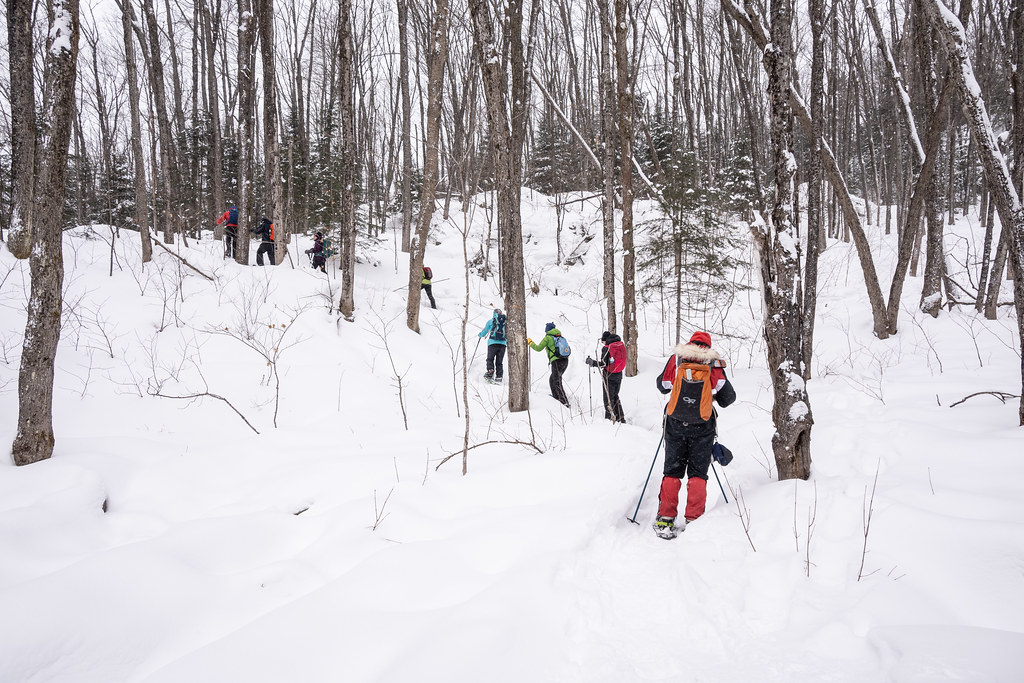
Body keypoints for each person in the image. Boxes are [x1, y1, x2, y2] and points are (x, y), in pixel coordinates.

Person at [652, 330, 736, 539]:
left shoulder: (677, 359)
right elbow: (728, 398)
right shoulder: (713, 364)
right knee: (698, 473)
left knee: (672, 470)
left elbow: (663, 386)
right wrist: (710, 395)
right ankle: (694, 520)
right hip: (703, 426)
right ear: (708, 346)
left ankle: (665, 519)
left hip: (675, 424)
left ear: (690, 343)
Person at [586, 331, 626, 423]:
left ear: (605, 340)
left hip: (609, 376)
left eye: (602, 341)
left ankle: (609, 420)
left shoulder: (606, 348)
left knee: (607, 398)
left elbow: (604, 364)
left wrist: (592, 362)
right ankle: (621, 418)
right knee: (615, 396)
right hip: (619, 374)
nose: (602, 343)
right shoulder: (619, 345)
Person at [528, 322, 570, 406]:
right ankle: (556, 397)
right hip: (565, 361)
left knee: (556, 381)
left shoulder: (548, 338)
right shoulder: (561, 337)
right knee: (553, 379)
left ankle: (564, 401)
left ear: (547, 330)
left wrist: (530, 343)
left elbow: (538, 348)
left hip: (556, 362)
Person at [478, 308, 507, 384]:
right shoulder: (505, 322)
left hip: (492, 344)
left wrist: (480, 335)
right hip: (503, 344)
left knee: (490, 359)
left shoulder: (491, 321)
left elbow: (485, 331)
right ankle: (499, 377)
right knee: (499, 362)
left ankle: (490, 372)